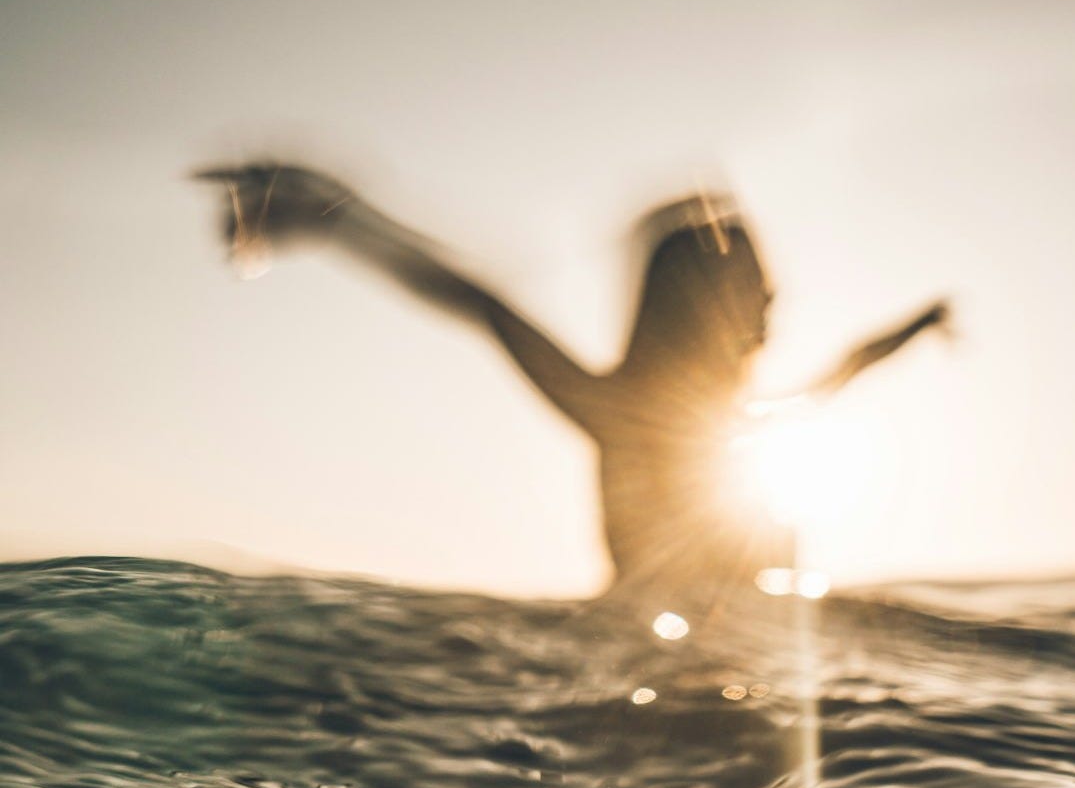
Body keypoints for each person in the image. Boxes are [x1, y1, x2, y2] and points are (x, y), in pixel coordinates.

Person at [195, 162, 950, 600]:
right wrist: (335, 218)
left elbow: (848, 365)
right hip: (656, 683)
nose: (772, 313)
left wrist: (916, 326)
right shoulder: (624, 413)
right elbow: (484, 304)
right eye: (757, 293)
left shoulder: (734, 423)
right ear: (702, 307)